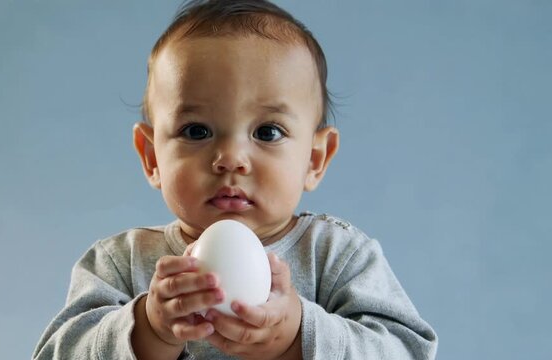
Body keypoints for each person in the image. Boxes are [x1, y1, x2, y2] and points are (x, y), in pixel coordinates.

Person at [32, 0, 438, 359]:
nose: (230, 159)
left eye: (267, 132)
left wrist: (298, 334)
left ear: (315, 158)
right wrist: (148, 329)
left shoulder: (337, 258)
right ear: (152, 155)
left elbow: (407, 351)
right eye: (196, 131)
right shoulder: (120, 263)